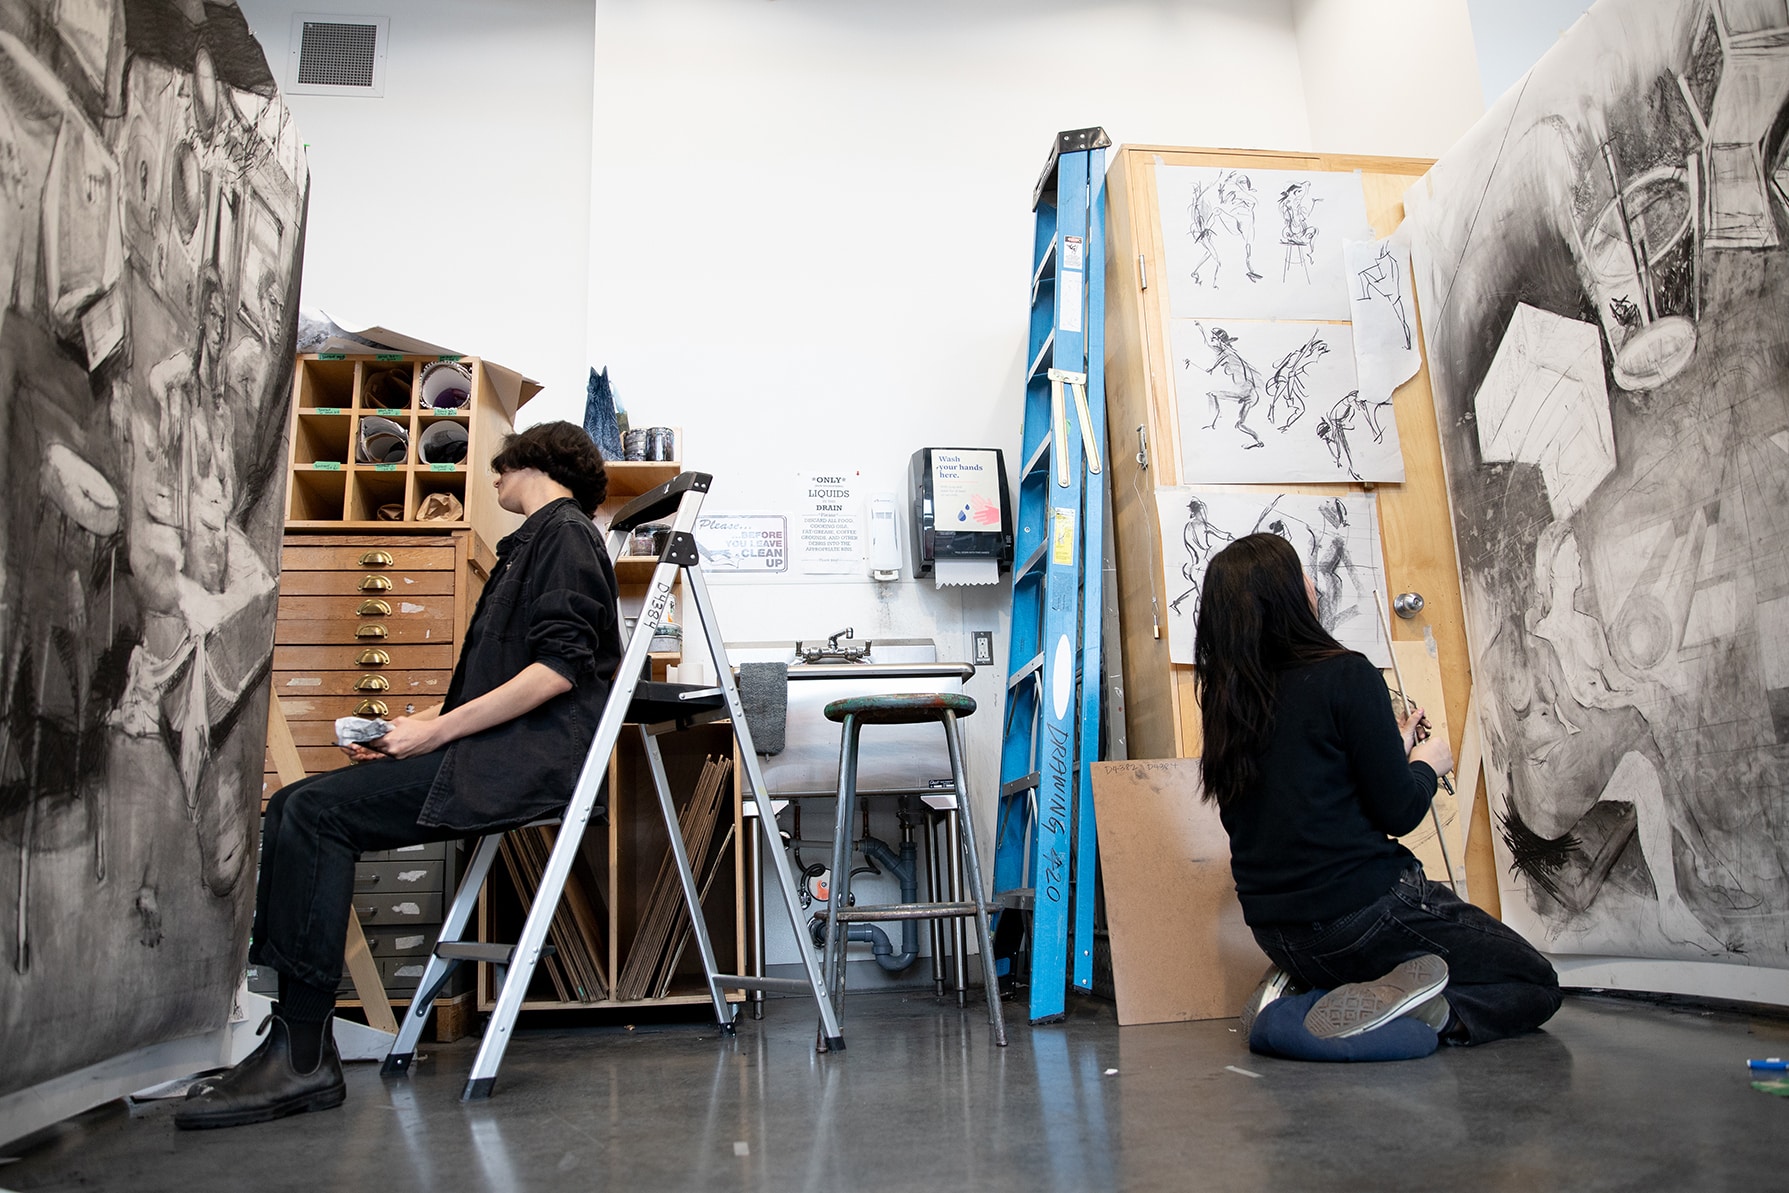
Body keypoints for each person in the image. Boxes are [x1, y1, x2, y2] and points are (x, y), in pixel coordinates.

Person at [176, 421, 623, 1129]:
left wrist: (435, 731)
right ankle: (295, 1043)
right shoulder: (539, 543)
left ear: (528, 462)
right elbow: (503, 683)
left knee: (310, 813)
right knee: (296, 801)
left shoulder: (562, 535)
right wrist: (410, 732)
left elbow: (556, 671)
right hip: (489, 753)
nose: (493, 482)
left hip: (517, 765)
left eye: (498, 471)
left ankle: (299, 1055)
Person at [1194, 533, 1560, 1062]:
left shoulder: (1229, 706)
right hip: (1364, 916)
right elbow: (1400, 811)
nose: (1315, 583)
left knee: (1397, 953)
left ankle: (1301, 994)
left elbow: (1306, 793)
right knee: (1536, 982)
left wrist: (1393, 746)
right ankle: (1417, 1013)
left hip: (1279, 935)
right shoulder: (1346, 674)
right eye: (1303, 575)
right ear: (1289, 596)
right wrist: (1427, 766)